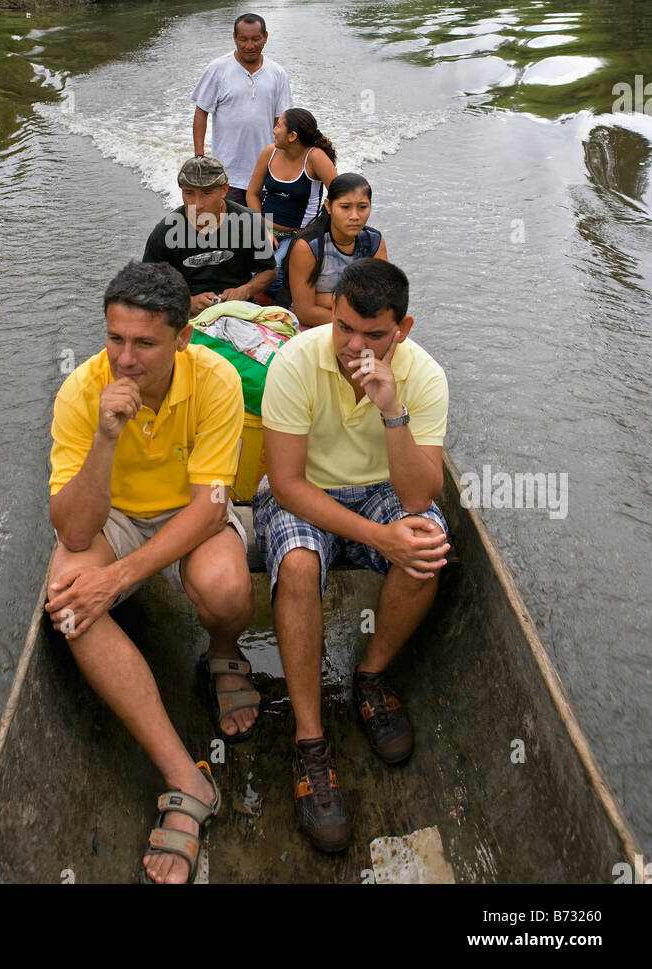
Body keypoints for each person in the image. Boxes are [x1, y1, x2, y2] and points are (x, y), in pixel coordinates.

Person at [46, 261, 260, 885]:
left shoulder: (214, 380)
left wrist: (121, 579)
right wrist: (106, 439)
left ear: (182, 338)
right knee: (68, 604)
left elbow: (211, 504)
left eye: (144, 343)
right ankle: (185, 778)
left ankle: (223, 655)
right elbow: (75, 532)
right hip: (112, 516)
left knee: (223, 584)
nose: (125, 358)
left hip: (194, 510)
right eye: (115, 339)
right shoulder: (82, 392)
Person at [252, 258, 450, 854]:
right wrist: (375, 538)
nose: (353, 347)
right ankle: (310, 743)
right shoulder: (295, 362)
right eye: (344, 329)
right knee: (299, 565)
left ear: (402, 330)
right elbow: (285, 484)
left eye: (373, 335)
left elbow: (417, 495)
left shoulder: (426, 377)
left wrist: (393, 410)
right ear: (332, 315)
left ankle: (370, 676)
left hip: (383, 489)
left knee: (427, 545)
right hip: (304, 490)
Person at [143, 155, 276, 315]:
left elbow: (269, 271)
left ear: (224, 190)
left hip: (238, 308)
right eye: (189, 193)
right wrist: (187, 303)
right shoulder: (166, 231)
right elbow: (148, 287)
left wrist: (244, 291)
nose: (197, 204)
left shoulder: (247, 220)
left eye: (206, 193)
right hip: (184, 313)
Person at [191, 12, 292, 205]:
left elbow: (281, 121)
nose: (249, 45)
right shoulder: (217, 69)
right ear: (234, 38)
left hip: (267, 172)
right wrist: (199, 158)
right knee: (228, 231)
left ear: (265, 37)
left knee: (261, 231)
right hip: (227, 173)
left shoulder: (277, 73)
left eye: (256, 39)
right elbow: (201, 112)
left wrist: (286, 162)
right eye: (243, 39)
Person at [245, 108, 337, 297]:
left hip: (298, 236)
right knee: (237, 266)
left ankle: (292, 306)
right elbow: (252, 194)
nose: (273, 130)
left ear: (292, 136)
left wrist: (323, 229)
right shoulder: (269, 153)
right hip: (263, 230)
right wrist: (261, 230)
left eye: (279, 126)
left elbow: (340, 195)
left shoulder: (315, 158)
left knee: (271, 273)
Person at [285, 172, 387, 327]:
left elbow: (381, 299)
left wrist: (322, 298)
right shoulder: (308, 246)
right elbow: (305, 313)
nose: (355, 216)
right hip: (311, 325)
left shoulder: (374, 241)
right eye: (345, 207)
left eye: (363, 207)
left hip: (358, 322)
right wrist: (355, 323)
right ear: (328, 206)